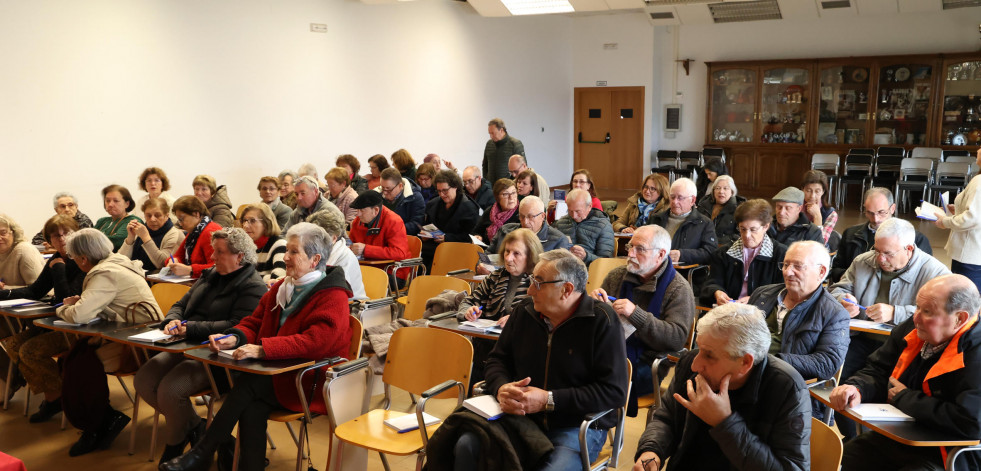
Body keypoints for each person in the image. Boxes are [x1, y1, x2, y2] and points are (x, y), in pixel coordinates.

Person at [159, 222, 353, 471]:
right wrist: (236, 336)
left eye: (294, 252)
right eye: (288, 250)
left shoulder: (332, 295)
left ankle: (201, 453)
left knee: (248, 386)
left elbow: (316, 342)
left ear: (315, 259)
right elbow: (254, 321)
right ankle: (218, 459)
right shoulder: (284, 287)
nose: (286, 257)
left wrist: (263, 349)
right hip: (277, 376)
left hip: (308, 381)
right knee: (251, 407)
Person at [446, 249, 628, 470]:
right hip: (520, 418)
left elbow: (613, 393)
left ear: (566, 290)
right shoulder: (524, 312)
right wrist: (501, 387)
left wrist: (549, 399)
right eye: (532, 280)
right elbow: (497, 360)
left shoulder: (602, 322)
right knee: (466, 446)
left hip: (575, 425)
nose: (530, 290)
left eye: (538, 283)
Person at [134, 227, 267, 464]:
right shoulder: (209, 275)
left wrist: (191, 328)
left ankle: (175, 445)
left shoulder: (253, 286)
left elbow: (238, 326)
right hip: (184, 345)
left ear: (239, 256)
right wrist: (172, 319)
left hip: (218, 356)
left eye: (219, 252)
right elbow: (180, 304)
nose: (212, 258)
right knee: (144, 379)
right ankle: (201, 429)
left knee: (170, 390)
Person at [632, 303, 811, 471]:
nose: (695, 365)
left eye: (709, 355)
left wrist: (724, 422)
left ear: (745, 362)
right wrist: (652, 452)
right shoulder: (690, 364)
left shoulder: (787, 389)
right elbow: (667, 419)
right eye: (699, 348)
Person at [831, 274, 981, 470]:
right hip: (897, 437)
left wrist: (905, 398)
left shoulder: (976, 352)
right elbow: (878, 370)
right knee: (840, 460)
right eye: (917, 307)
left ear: (959, 318)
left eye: (927, 311)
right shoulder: (915, 327)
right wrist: (857, 388)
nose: (916, 317)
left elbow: (971, 422)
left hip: (948, 454)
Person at [828, 218, 950, 441]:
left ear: (909, 249)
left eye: (888, 254)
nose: (880, 259)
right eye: (877, 251)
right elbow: (837, 288)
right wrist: (843, 300)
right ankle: (853, 436)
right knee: (840, 382)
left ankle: (876, 440)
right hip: (861, 338)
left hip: (906, 346)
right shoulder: (863, 261)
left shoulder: (936, 273)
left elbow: (942, 316)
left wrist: (896, 313)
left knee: (887, 389)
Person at [56, 229, 162, 456]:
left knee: (81, 365)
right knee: (69, 359)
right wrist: (82, 304)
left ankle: (98, 424)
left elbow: (77, 316)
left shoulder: (105, 273)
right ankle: (104, 418)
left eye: (75, 257)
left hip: (140, 343)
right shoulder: (117, 262)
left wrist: (64, 308)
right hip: (127, 333)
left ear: (84, 258)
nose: (75, 262)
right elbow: (96, 305)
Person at [589, 225, 696, 417]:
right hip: (609, 351)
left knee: (590, 375)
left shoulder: (679, 288)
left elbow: (676, 339)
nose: (630, 253)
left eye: (640, 249)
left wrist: (635, 314)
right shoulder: (617, 276)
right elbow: (596, 323)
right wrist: (594, 305)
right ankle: (582, 428)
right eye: (630, 246)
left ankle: (591, 430)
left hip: (649, 362)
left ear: (661, 254)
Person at [746, 240, 850, 420]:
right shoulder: (763, 294)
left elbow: (827, 362)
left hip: (789, 388)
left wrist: (773, 361)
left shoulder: (834, 313)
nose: (788, 272)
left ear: (821, 272)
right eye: (785, 264)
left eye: (798, 266)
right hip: (745, 375)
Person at [0, 215, 83, 418]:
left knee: (29, 350)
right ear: (50, 239)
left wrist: (60, 269)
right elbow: (35, 291)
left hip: (82, 326)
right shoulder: (56, 259)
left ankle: (57, 397)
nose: (61, 239)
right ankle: (55, 394)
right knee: (13, 344)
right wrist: (4, 294)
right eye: (56, 236)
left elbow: (66, 298)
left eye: (66, 233)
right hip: (59, 321)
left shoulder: (83, 258)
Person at [457, 228, 542, 384]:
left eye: (516, 253)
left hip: (518, 355)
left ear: (530, 256)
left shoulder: (538, 282)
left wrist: (517, 319)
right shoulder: (495, 276)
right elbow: (468, 301)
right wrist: (468, 311)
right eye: (507, 252)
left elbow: (544, 317)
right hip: (486, 349)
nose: (509, 258)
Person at [831, 187, 932, 283]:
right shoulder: (850, 234)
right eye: (870, 213)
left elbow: (924, 275)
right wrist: (853, 278)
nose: (876, 219)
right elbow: (836, 271)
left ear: (892, 208)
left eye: (881, 212)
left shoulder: (916, 239)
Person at [701, 199, 787, 306]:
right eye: (742, 229)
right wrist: (717, 292)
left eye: (753, 229)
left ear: (766, 227)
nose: (747, 235)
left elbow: (783, 291)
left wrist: (755, 299)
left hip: (763, 313)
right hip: (728, 310)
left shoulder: (781, 254)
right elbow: (711, 283)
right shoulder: (723, 253)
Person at [934, 148, 981, 291]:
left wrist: (944, 221)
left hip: (970, 254)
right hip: (975, 253)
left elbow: (973, 218)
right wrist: (958, 208)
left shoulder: (979, 181)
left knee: (965, 303)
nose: (978, 150)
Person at [484, 195, 571, 265]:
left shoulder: (558, 240)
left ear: (542, 216)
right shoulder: (505, 230)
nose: (525, 222)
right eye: (521, 216)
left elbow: (560, 273)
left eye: (530, 217)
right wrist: (481, 265)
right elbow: (486, 255)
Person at [649, 178, 717, 265]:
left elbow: (710, 253)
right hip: (654, 269)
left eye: (680, 198)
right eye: (672, 197)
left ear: (692, 200)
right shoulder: (656, 218)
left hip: (684, 273)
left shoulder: (704, 223)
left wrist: (683, 255)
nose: (674, 202)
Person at [421, 169, 479, 269]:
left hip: (456, 250)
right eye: (439, 191)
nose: (442, 194)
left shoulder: (468, 207)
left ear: (455, 187)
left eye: (445, 190)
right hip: (432, 248)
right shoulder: (433, 204)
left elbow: (471, 236)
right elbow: (427, 225)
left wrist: (447, 238)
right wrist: (425, 233)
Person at [305, 209, 367, 299]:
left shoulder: (345, 257)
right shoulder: (317, 250)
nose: (313, 240)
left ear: (333, 238)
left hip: (350, 305)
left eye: (318, 237)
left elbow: (337, 294)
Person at [119, 197, 185, 271]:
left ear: (166, 216)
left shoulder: (174, 234)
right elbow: (120, 261)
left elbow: (163, 264)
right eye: (148, 215)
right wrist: (130, 238)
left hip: (156, 279)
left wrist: (146, 238)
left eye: (157, 215)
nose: (152, 219)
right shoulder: (140, 230)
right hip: (135, 274)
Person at [552, 188, 615, 266]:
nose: (574, 216)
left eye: (578, 211)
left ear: (589, 206)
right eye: (570, 211)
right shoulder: (561, 223)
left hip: (590, 270)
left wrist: (586, 256)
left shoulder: (603, 226)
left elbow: (606, 261)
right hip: (563, 269)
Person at [166, 196, 222, 278]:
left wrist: (190, 270)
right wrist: (172, 261)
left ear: (196, 214)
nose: (180, 224)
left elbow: (218, 267)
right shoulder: (194, 232)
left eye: (182, 219)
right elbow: (178, 256)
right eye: (179, 220)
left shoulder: (210, 232)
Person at [349, 190, 410, 262]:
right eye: (357, 210)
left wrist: (366, 249)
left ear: (376, 210)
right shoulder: (357, 221)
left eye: (362, 210)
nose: (358, 214)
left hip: (389, 268)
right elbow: (351, 244)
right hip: (365, 266)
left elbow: (399, 253)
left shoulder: (394, 221)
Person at [238, 203, 287, 284]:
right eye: (244, 220)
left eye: (252, 221)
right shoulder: (244, 246)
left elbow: (278, 279)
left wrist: (247, 278)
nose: (245, 225)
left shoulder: (279, 244)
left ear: (266, 223)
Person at [378, 167, 426, 236]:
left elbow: (417, 224)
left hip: (405, 237)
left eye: (388, 189)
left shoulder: (414, 197)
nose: (385, 193)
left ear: (400, 186)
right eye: (382, 188)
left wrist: (392, 230)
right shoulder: (377, 194)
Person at [94, 184, 143, 251]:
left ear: (127, 204)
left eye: (116, 201)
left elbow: (117, 241)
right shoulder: (102, 221)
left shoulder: (133, 221)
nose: (110, 204)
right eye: (107, 201)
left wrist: (92, 240)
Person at [0, 213, 45, 287]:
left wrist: (4, 289)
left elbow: (39, 289)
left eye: (3, 233)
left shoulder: (24, 250)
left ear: (13, 233)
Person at [696, 174, 739, 247]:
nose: (721, 191)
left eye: (725, 188)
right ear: (713, 191)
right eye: (718, 188)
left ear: (732, 192)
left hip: (724, 248)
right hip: (701, 246)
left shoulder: (738, 209)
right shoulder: (703, 205)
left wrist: (716, 242)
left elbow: (739, 235)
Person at [472, 179, 519, 243]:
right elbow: (476, 231)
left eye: (513, 193)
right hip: (486, 250)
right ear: (497, 197)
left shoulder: (521, 212)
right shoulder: (490, 211)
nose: (511, 197)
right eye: (506, 194)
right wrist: (478, 236)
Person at [801, 169, 838, 244]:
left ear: (823, 191)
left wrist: (817, 216)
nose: (812, 196)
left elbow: (821, 243)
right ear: (802, 189)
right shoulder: (795, 207)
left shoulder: (831, 214)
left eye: (817, 191)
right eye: (808, 190)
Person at [483, 118, 525, 184]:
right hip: (491, 188)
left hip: (508, 188)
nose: (491, 136)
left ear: (501, 130)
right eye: (489, 134)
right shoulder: (489, 144)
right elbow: (485, 166)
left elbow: (522, 169)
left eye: (493, 133)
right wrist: (486, 182)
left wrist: (512, 184)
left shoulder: (515, 144)